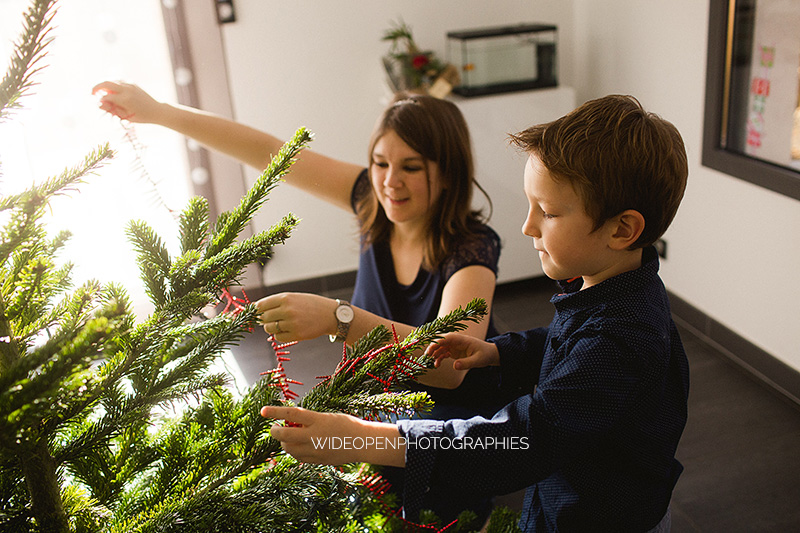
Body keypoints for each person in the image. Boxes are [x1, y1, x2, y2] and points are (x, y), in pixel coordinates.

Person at [263, 94, 690, 533]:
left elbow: (523, 440)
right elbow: (566, 345)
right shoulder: (610, 286)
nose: (527, 226)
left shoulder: (622, 336)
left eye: (546, 212)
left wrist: (366, 439)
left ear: (622, 229)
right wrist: (498, 353)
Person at [93, 81, 504, 520]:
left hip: (455, 432)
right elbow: (270, 150)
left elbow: (448, 367)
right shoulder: (372, 201)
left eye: (411, 167)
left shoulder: (472, 251)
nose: (389, 182)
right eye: (380, 163)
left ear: (447, 173)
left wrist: (337, 317)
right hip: (377, 413)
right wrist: (160, 112)